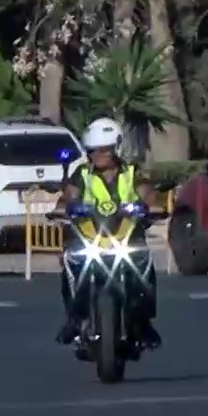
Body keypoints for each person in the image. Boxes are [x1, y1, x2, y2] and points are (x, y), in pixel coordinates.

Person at [55, 117, 161, 348]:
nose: (98, 155)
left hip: (126, 234)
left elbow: (147, 193)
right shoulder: (82, 174)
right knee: (71, 264)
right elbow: (68, 197)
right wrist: (63, 209)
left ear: (116, 148)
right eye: (93, 151)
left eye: (103, 150)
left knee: (144, 267)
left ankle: (143, 322)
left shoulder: (133, 172)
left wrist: (151, 206)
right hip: (90, 235)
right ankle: (74, 318)